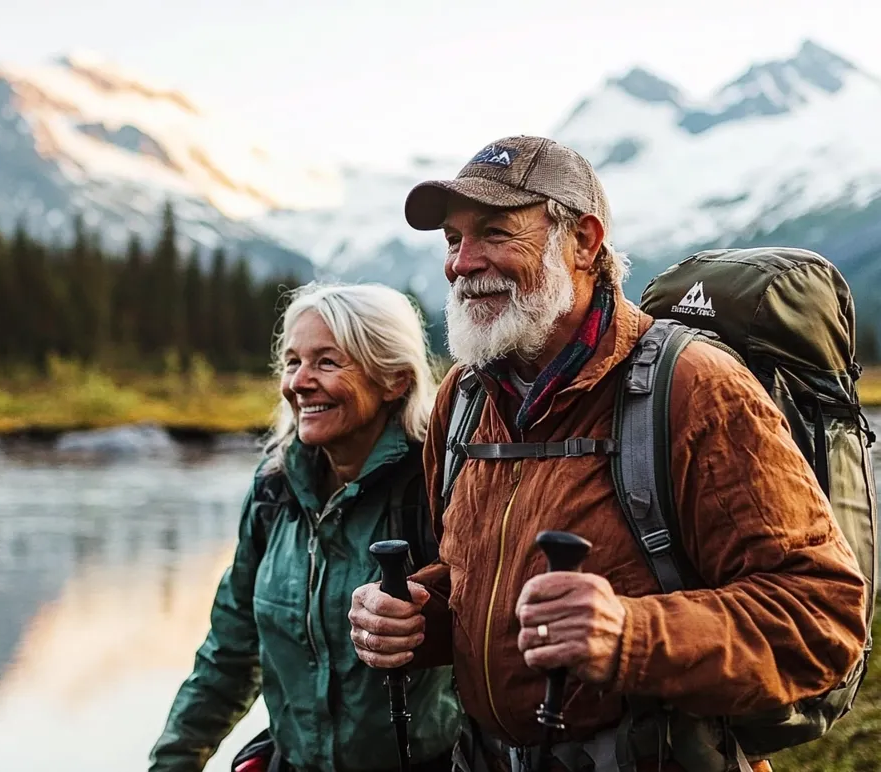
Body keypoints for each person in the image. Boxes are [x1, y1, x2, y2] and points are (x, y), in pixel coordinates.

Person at [347, 136, 869, 772]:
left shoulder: (695, 388)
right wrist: (414, 615)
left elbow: (824, 615)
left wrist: (628, 634)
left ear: (585, 242)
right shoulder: (464, 396)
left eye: (494, 232)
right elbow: (476, 578)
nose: (461, 263)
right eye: (453, 240)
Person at [148, 281, 462, 772]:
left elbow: (487, 642)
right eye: (292, 361)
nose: (299, 381)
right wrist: (173, 762)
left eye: (327, 362)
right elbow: (229, 653)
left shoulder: (435, 487)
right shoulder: (274, 490)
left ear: (394, 381)